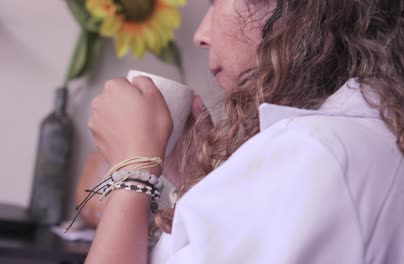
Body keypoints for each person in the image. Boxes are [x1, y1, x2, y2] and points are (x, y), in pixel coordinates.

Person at [84, 0, 404, 263]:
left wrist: (133, 172)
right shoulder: (365, 131)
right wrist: (195, 174)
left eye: (214, 2)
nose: (199, 35)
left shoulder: (310, 150)